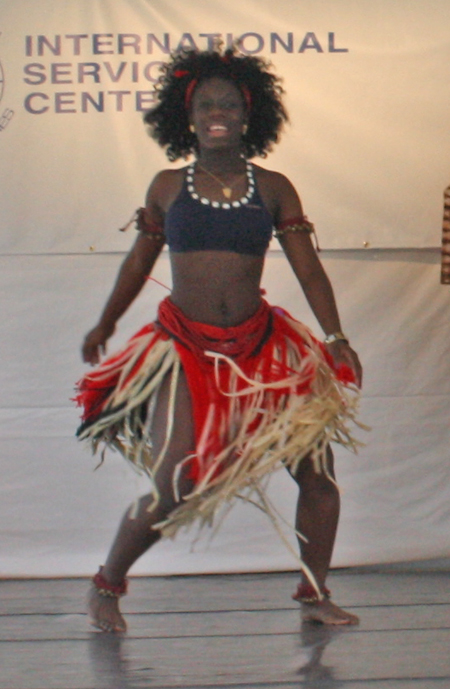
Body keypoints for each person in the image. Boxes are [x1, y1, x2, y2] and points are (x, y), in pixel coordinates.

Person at [75, 47, 363, 633]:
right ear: (187, 117)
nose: (217, 113)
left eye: (228, 104)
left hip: (263, 350)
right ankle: (107, 585)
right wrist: (105, 323)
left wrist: (334, 335)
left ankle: (314, 594)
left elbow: (309, 269)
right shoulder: (166, 186)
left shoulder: (276, 187)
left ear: (248, 114)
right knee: (175, 479)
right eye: (206, 104)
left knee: (318, 477)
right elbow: (138, 262)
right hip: (185, 350)